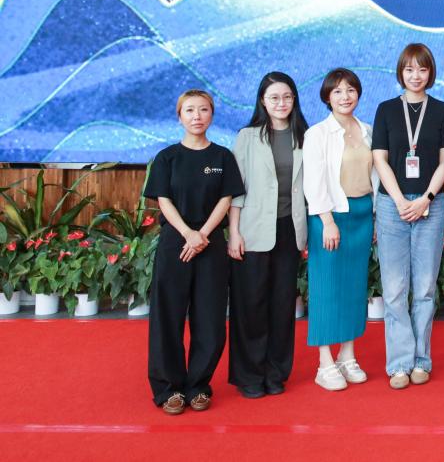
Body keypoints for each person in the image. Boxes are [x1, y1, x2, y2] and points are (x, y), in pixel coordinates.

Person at [144, 89, 244, 415]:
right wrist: (188, 233)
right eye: (189, 110)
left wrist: (203, 234)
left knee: (210, 319)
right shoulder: (167, 157)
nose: (197, 116)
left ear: (212, 114)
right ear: (180, 116)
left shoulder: (222, 157)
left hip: (210, 243)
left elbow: (227, 199)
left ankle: (198, 386)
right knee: (168, 317)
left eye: (203, 109)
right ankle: (168, 389)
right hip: (176, 242)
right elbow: (164, 200)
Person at [371, 44, 444, 389]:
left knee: (424, 288)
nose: (415, 76)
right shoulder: (386, 109)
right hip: (392, 206)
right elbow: (379, 158)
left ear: (430, 72)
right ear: (400, 72)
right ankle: (399, 363)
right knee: (394, 289)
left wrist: (426, 199)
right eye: (409, 69)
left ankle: (421, 359)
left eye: (422, 69)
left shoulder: (442, 110)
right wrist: (398, 200)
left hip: (430, 205)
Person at [227, 72, 309, 398]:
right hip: (253, 230)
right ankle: (249, 375)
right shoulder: (247, 137)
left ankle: (276, 372)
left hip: (290, 229)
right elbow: (236, 189)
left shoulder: (305, 135)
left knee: (282, 305)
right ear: (263, 100)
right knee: (251, 304)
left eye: (287, 97)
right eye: (274, 97)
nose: (281, 103)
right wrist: (234, 232)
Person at [303, 68, 376, 392]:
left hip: (362, 214)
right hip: (330, 216)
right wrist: (328, 221)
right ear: (327, 97)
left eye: (350, 90)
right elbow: (314, 182)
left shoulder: (368, 130)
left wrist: (375, 217)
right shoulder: (318, 134)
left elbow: (375, 176)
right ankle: (324, 363)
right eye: (337, 91)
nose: (345, 97)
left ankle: (347, 355)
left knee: (354, 287)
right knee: (327, 288)